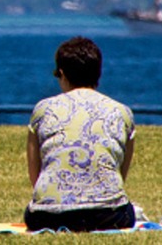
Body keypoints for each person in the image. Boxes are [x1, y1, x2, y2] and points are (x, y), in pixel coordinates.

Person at [24, 36, 137, 232]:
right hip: (109, 215)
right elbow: (120, 173)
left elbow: (36, 175)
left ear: (62, 74)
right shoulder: (121, 112)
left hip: (47, 216)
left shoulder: (43, 109)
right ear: (98, 72)